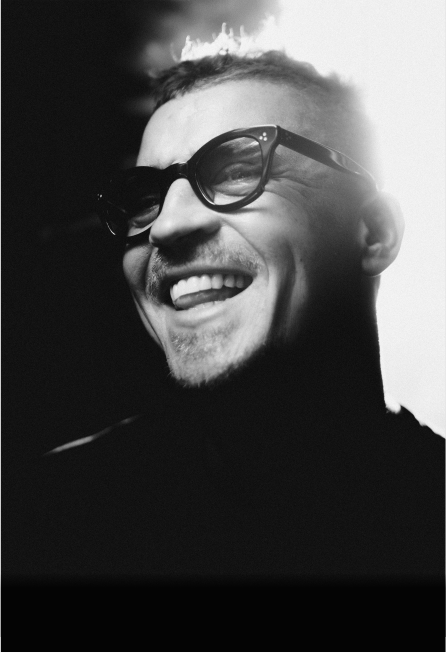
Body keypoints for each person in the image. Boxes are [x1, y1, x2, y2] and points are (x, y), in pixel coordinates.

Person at [7, 31, 444, 587]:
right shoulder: (38, 525)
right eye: (144, 197)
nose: (167, 225)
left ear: (374, 232)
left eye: (238, 170)